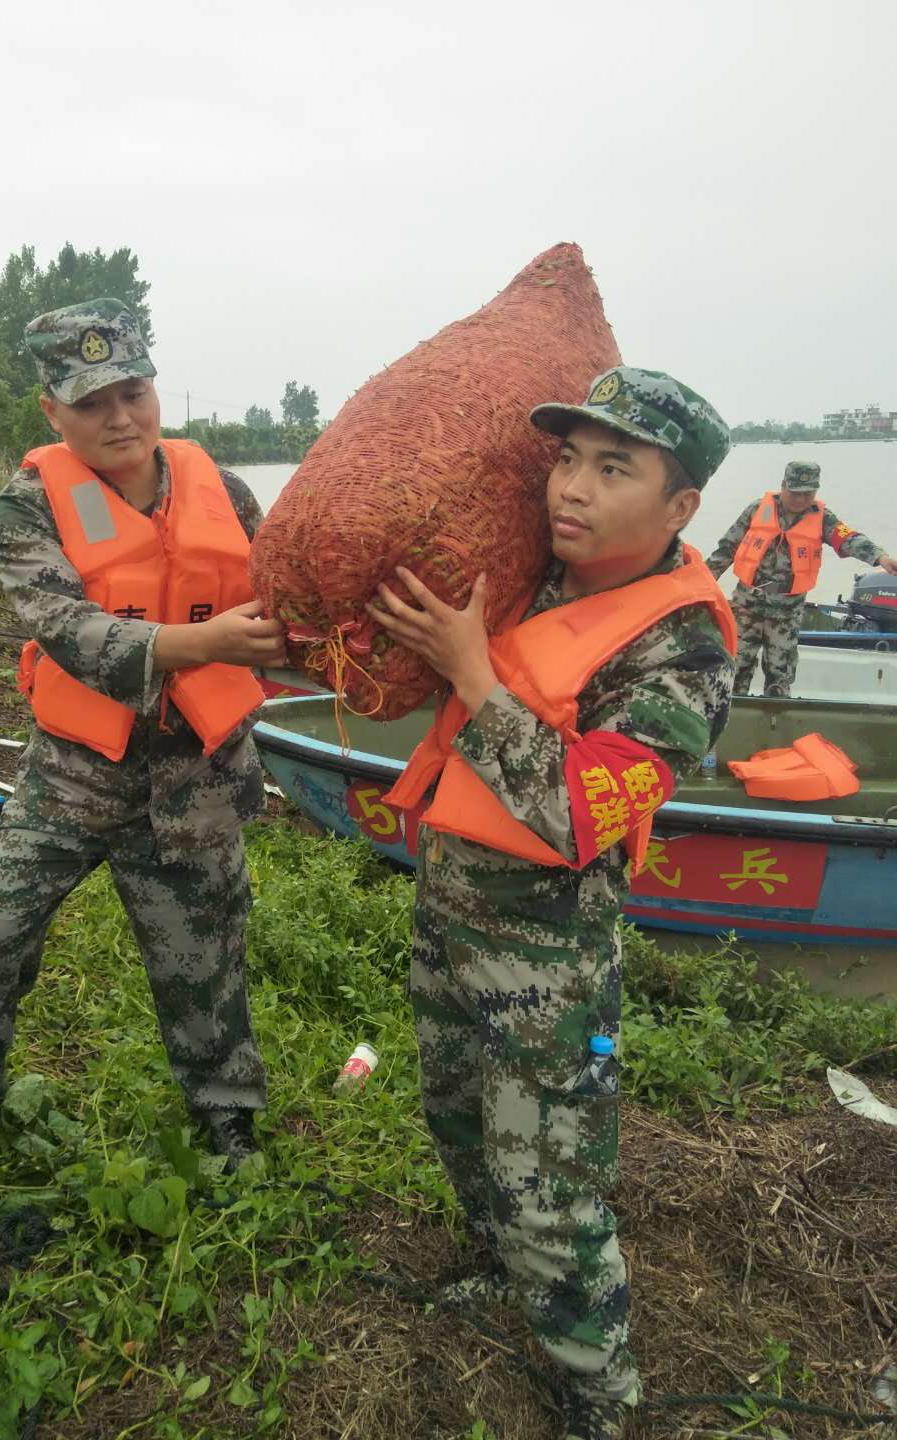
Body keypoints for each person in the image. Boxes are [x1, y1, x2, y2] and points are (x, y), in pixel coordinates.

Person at [369, 368, 737, 1440]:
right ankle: (500, 1278)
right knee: (459, 1125)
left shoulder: (686, 647)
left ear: (679, 509)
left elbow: (582, 813)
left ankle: (600, 1396)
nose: (571, 488)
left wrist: (473, 678)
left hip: (547, 960)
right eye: (567, 459)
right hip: (452, 913)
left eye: (612, 469)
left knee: (553, 1192)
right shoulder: (539, 575)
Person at [0, 299, 285, 1169]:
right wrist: (205, 644)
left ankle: (227, 1124)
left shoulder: (227, 492)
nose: (120, 416)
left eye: (132, 391)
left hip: (197, 770)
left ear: (153, 387)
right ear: (52, 411)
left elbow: (294, 602)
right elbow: (74, 635)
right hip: (74, 775)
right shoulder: (26, 510)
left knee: (205, 961)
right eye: (92, 402)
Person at [706, 460, 897, 696]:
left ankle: (775, 723)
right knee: (735, 667)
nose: (800, 500)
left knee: (780, 673)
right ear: (783, 485)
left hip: (787, 611)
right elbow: (726, 549)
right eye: (795, 493)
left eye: (807, 494)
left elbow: (849, 538)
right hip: (747, 605)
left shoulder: (823, 517)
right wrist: (699, 583)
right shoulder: (757, 509)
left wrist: (880, 557)